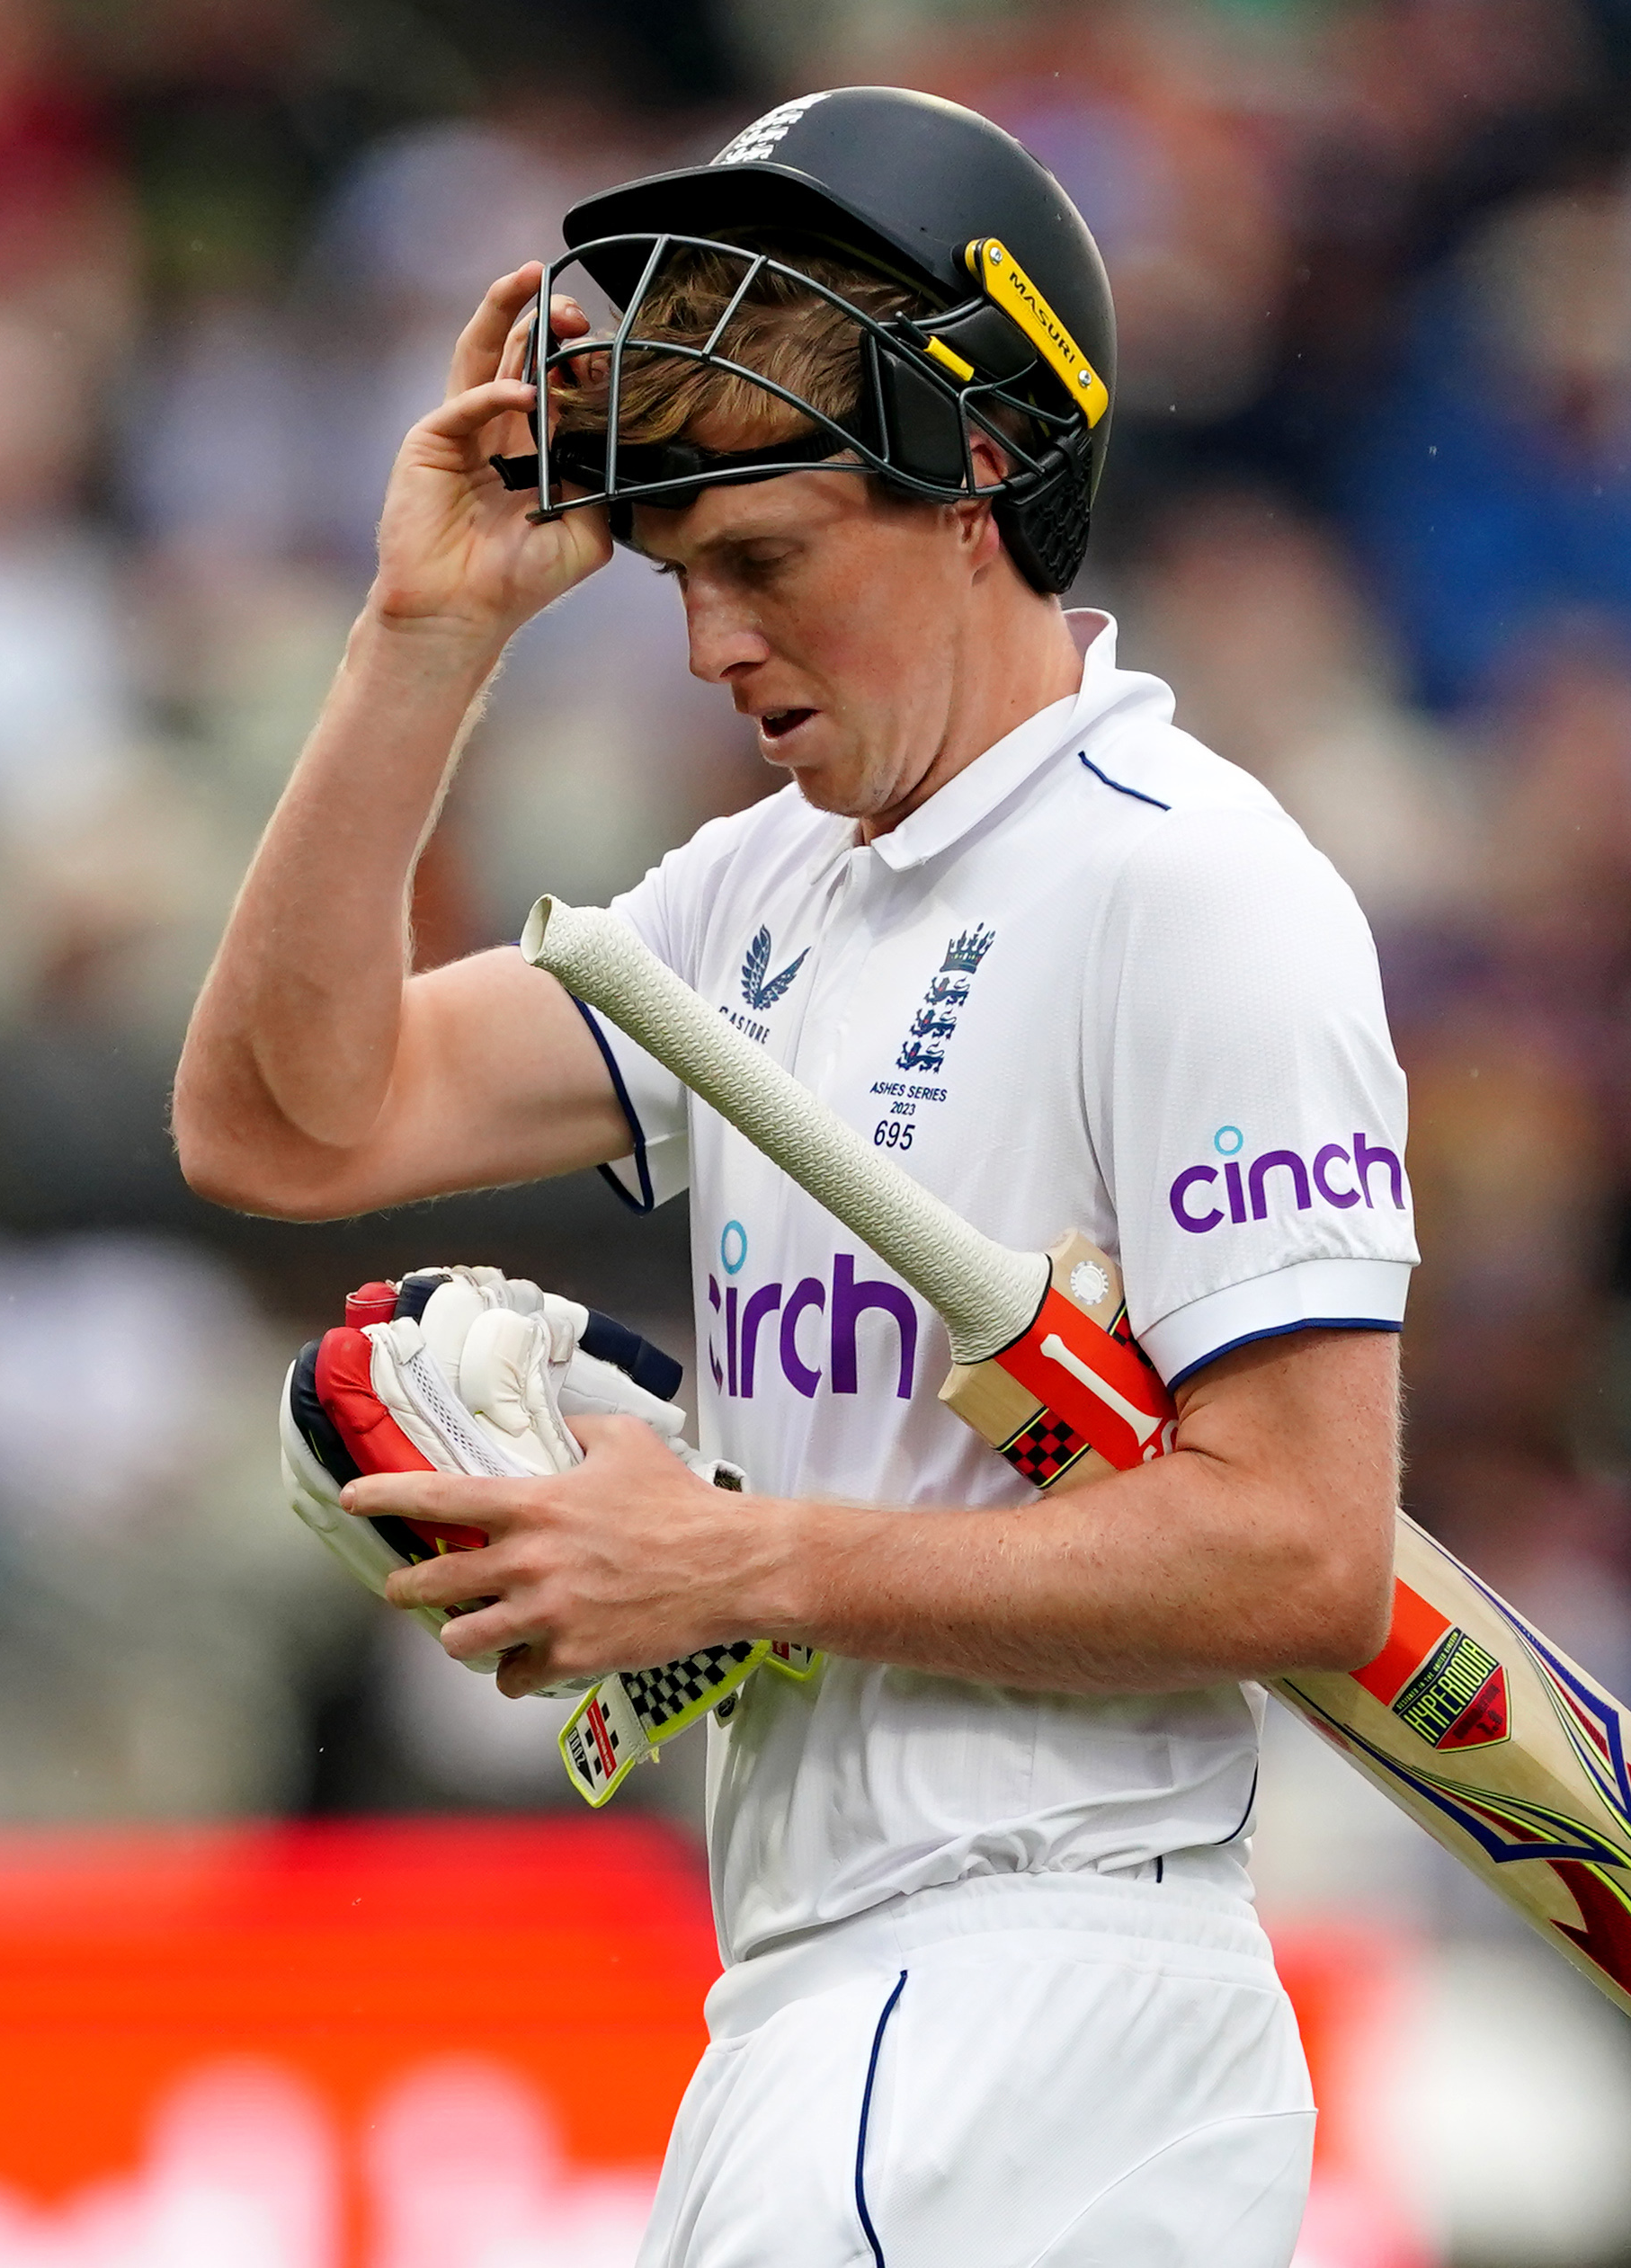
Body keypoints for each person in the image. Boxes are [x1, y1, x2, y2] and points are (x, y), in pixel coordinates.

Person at [175, 86, 1415, 2265]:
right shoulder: (758, 896)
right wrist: (418, 639)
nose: (705, 642)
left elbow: (1304, 1550)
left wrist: (728, 1563)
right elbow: (286, 1119)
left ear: (978, 476)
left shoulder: (1191, 887)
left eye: (763, 561)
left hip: (1030, 1979)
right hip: (827, 1993)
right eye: (679, 575)